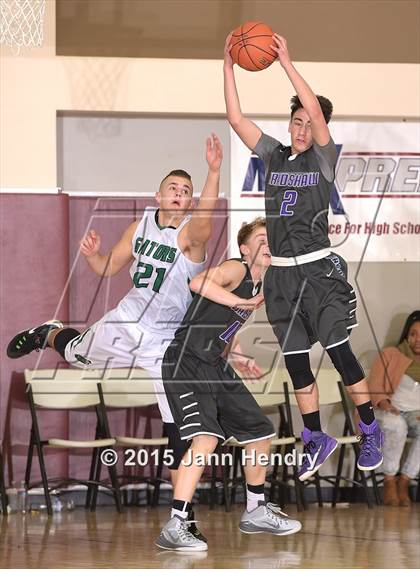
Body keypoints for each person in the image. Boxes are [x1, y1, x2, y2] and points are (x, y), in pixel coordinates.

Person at [7, 134, 223, 535]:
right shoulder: (138, 226)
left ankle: (182, 514)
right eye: (172, 188)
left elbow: (208, 216)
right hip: (126, 322)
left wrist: (213, 172)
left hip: (165, 341)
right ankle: (49, 333)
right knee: (73, 354)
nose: (179, 194)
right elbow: (108, 267)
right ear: (157, 195)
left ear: (191, 203)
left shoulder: (192, 235)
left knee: (177, 423)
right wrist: (91, 254)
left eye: (186, 192)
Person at [223, 32, 383, 481]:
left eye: (308, 124)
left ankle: (369, 427)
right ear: (288, 123)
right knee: (295, 363)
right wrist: (228, 63)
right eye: (296, 121)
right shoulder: (273, 156)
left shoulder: (324, 160)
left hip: (318, 270)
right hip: (280, 278)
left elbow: (315, 111)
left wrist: (286, 63)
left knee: (338, 351)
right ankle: (315, 436)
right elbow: (235, 118)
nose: (301, 128)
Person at [156, 218, 302, 552]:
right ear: (246, 248)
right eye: (261, 239)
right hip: (186, 361)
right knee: (206, 439)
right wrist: (245, 303)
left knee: (260, 431)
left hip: (214, 363)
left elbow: (225, 325)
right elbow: (199, 283)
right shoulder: (237, 268)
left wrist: (237, 354)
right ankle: (176, 524)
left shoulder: (259, 284)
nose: (268, 244)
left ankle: (255, 509)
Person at [369, 311, 420, 506]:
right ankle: (389, 480)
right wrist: (385, 404)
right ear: (406, 334)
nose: (417, 339)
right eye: (413, 334)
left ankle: (405, 480)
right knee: (396, 425)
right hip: (389, 409)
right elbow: (374, 386)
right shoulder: (391, 354)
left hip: (416, 414)